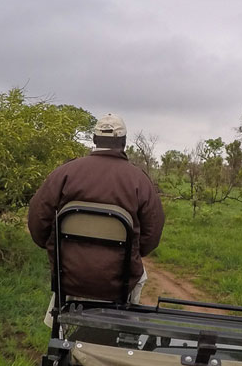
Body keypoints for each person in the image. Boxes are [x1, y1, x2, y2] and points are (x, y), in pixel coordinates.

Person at [27, 113, 165, 312]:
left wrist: (53, 246)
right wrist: (133, 252)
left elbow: (37, 219)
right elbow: (152, 235)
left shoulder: (64, 173)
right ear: (124, 142)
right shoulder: (139, 180)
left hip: (68, 276)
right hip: (120, 281)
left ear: (94, 139)